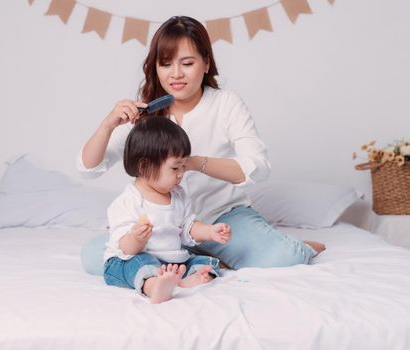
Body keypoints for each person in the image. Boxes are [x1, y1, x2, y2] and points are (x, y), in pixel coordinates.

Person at [77, 15, 325, 274]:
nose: (176, 74)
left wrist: (194, 163)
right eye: (165, 64)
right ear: (155, 68)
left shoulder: (225, 103)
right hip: (164, 226)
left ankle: (211, 251)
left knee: (282, 257)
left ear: (206, 63)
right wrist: (108, 124)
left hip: (222, 217)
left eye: (187, 63)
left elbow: (257, 167)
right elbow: (88, 168)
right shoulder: (145, 111)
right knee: (95, 257)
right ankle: (200, 256)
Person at [104, 116, 231, 303]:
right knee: (139, 264)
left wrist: (209, 232)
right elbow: (125, 248)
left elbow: (188, 228)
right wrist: (136, 239)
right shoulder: (128, 201)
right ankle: (153, 286)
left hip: (170, 262)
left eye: (183, 166)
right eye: (174, 168)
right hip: (130, 259)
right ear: (144, 166)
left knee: (204, 262)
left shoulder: (178, 195)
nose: (181, 174)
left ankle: (184, 281)